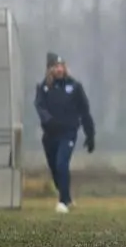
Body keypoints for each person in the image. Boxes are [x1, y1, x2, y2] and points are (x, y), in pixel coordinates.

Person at [34, 52, 95, 212]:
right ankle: (67, 197)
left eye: (61, 66)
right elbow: (40, 107)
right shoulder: (43, 88)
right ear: (50, 69)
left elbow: (84, 111)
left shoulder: (74, 87)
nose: (59, 69)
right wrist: (49, 121)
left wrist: (90, 134)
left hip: (68, 133)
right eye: (56, 67)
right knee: (55, 169)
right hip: (50, 135)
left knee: (62, 164)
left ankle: (62, 202)